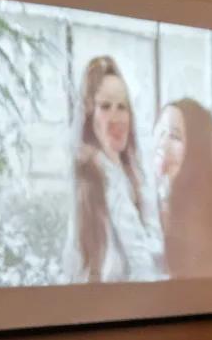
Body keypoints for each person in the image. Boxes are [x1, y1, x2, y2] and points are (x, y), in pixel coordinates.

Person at [67, 55, 163, 283]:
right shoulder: (87, 180)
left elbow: (153, 252)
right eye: (105, 106)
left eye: (122, 107)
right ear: (90, 115)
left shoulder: (133, 176)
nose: (116, 117)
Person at [154, 99, 212, 278]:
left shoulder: (200, 220)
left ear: (197, 149)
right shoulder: (148, 202)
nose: (163, 145)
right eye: (160, 133)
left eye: (175, 136)